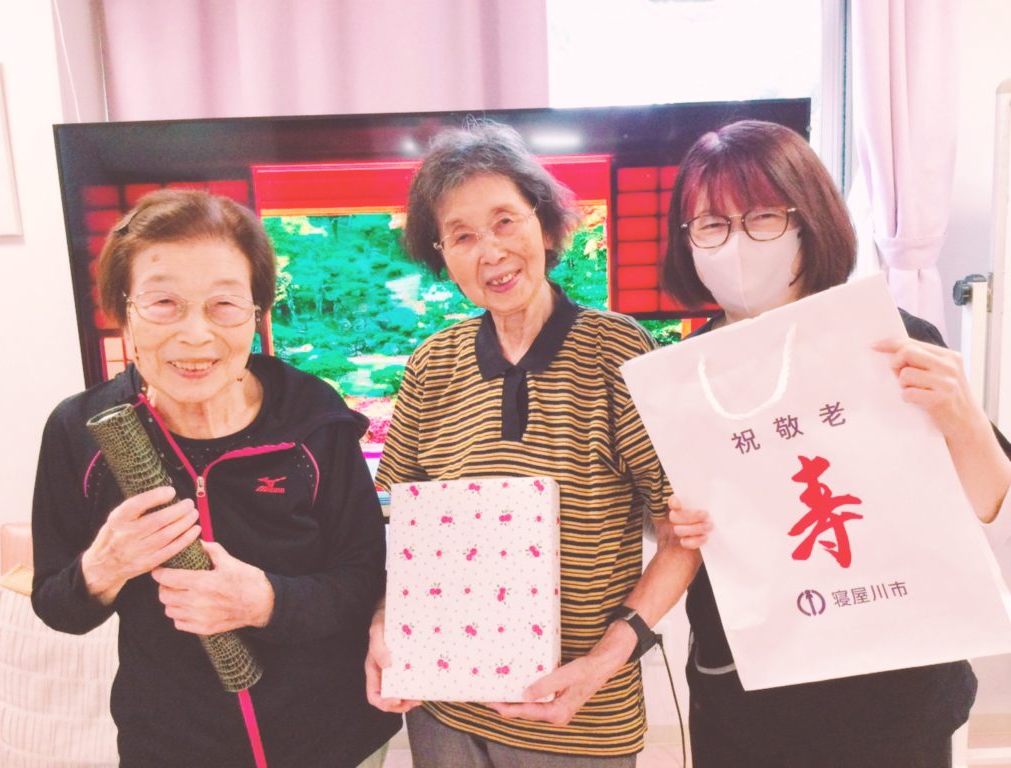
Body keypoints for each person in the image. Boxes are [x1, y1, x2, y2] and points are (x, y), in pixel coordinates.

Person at [661, 119, 1011, 768]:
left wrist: (964, 419)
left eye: (763, 217)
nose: (736, 244)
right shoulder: (682, 377)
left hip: (894, 697)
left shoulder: (891, 339)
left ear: (809, 219)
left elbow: (995, 521)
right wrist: (677, 525)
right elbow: (680, 528)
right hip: (744, 698)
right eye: (711, 225)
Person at [364, 121, 701, 766]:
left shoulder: (618, 351)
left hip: (578, 713)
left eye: (505, 221)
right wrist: (383, 625)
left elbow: (680, 532)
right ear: (442, 255)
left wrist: (605, 660)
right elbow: (401, 533)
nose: (491, 251)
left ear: (544, 226)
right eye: (463, 236)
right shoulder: (432, 364)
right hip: (444, 710)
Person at [31, 189, 401, 767]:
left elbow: (363, 578)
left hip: (334, 740)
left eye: (224, 304)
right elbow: (56, 606)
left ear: (256, 312)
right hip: (171, 748)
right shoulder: (80, 430)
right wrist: (103, 566)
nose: (196, 335)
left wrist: (267, 601)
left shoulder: (313, 417)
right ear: (124, 310)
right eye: (164, 303)